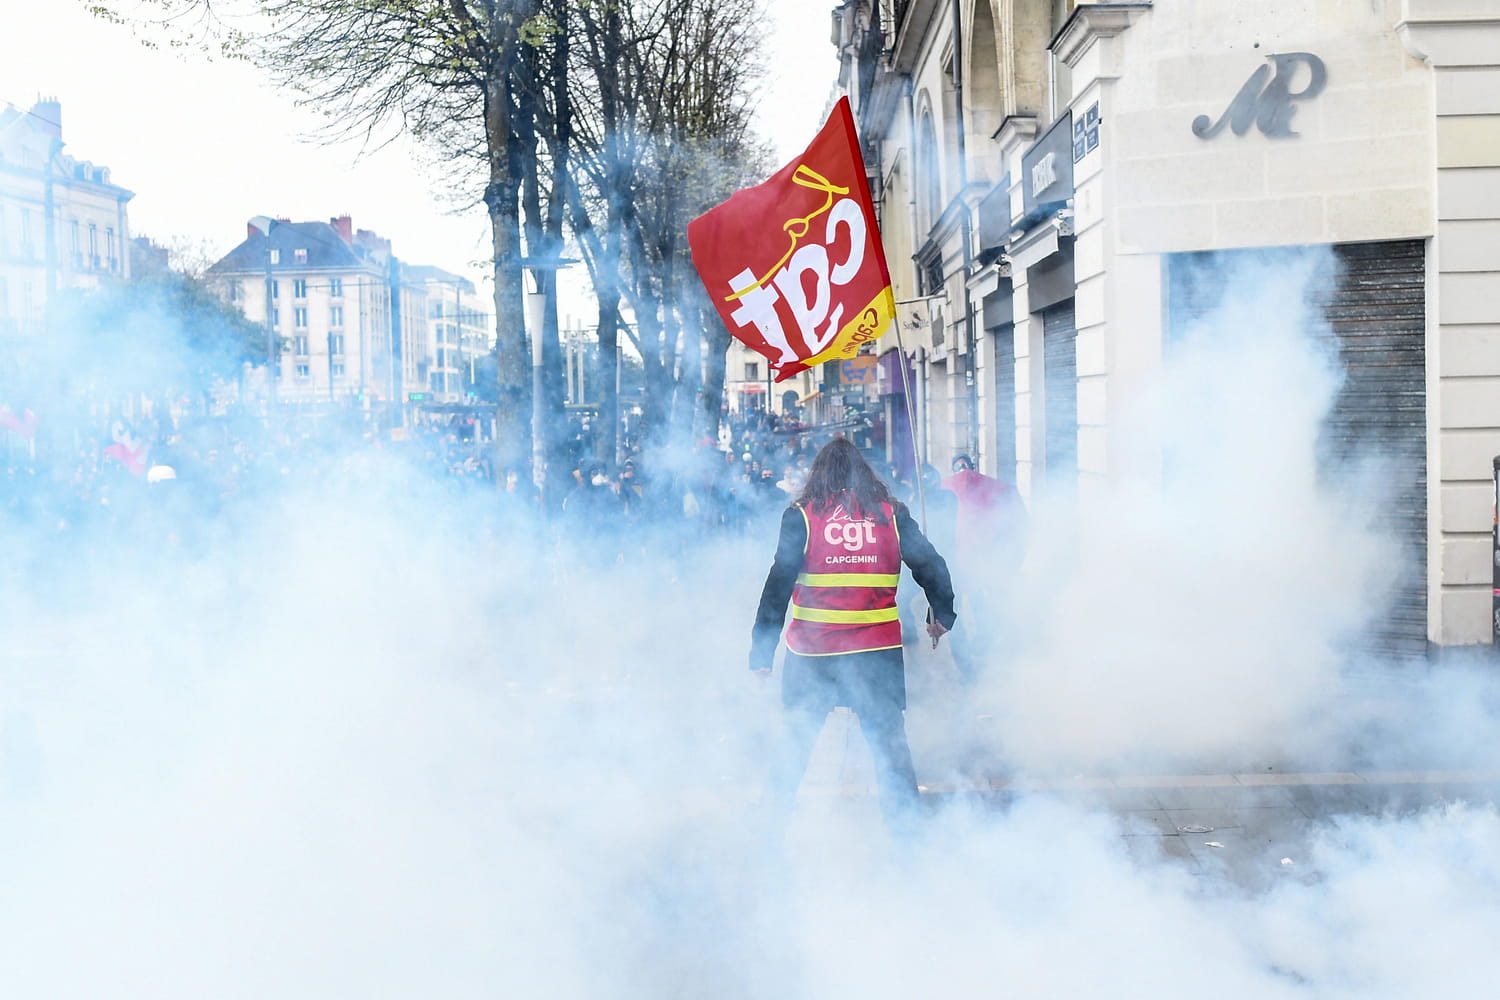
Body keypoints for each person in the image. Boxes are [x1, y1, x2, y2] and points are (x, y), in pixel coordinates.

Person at [750, 437, 957, 840]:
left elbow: (777, 584)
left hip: (813, 654)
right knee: (890, 750)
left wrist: (761, 653)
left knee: (795, 744)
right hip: (875, 654)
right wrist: (941, 614)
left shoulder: (802, 516)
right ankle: (908, 838)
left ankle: (768, 831)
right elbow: (931, 564)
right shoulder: (891, 515)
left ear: (818, 475)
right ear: (866, 474)